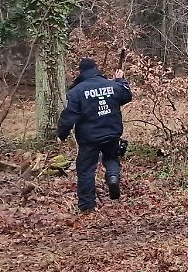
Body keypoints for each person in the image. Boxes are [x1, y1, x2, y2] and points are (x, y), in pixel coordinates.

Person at [57, 58, 133, 212]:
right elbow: (126, 95)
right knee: (111, 158)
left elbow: (69, 116)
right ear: (96, 69)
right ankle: (112, 177)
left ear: (81, 72)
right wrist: (120, 80)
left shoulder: (76, 92)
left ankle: (87, 206)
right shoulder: (113, 85)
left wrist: (61, 134)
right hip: (112, 133)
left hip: (89, 138)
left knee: (85, 170)